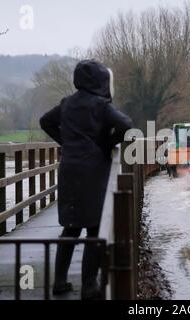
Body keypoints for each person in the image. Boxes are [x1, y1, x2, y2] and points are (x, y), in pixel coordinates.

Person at [39, 60, 133, 300]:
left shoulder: (68, 103)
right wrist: (106, 144)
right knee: (93, 228)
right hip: (93, 170)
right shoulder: (100, 105)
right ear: (102, 81)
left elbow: (45, 121)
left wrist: (65, 142)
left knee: (70, 226)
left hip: (69, 169)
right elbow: (125, 124)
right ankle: (89, 285)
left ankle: (59, 282)